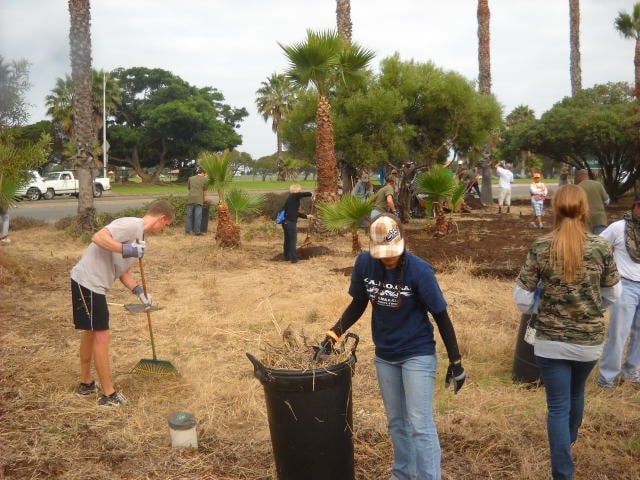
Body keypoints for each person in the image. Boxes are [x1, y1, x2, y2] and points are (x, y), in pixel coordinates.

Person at [315, 213, 466, 480]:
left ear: (402, 243)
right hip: (385, 355)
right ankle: (403, 474)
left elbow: (441, 315)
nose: (388, 259)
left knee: (420, 423)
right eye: (383, 254)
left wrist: (456, 362)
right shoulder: (364, 264)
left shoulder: (420, 271)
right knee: (397, 422)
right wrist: (332, 336)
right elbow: (358, 304)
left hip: (417, 353)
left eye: (392, 253)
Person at [513, 185, 620, 480]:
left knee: (558, 405)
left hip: (550, 343)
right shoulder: (601, 247)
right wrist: (592, 308)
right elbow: (613, 294)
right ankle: (566, 446)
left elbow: (522, 298)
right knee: (576, 394)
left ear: (554, 209)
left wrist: (538, 310)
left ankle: (563, 471)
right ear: (585, 209)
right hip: (588, 344)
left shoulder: (541, 247)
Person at [71, 199, 175, 406]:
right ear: (161, 218)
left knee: (91, 332)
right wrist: (129, 250)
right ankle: (109, 395)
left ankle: (86, 383)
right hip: (88, 282)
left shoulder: (139, 236)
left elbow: (123, 271)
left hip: (94, 285)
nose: (165, 229)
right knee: (102, 335)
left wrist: (139, 292)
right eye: (167, 224)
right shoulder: (131, 224)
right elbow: (98, 237)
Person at [597, 193, 640, 388]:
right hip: (625, 286)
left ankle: (631, 372)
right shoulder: (618, 228)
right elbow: (597, 248)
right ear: (635, 207)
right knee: (618, 334)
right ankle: (607, 379)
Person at [281, 184, 313, 263]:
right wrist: (312, 194)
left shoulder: (290, 199)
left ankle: (287, 256)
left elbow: (295, 212)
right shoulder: (295, 196)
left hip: (285, 222)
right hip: (290, 222)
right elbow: (304, 194)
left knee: (287, 240)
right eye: (299, 190)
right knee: (293, 240)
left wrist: (306, 216)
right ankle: (294, 259)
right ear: (296, 190)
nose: (300, 191)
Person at [575, 169, 609, 234]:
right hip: (600, 219)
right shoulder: (598, 184)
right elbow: (607, 201)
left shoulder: (577, 188)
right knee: (600, 242)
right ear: (587, 175)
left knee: (588, 243)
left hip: (585, 221)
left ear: (579, 176)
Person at [185, 167, 208, 236]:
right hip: (199, 200)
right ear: (203, 173)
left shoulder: (190, 178)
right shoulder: (205, 179)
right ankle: (197, 232)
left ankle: (188, 231)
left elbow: (189, 188)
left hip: (191, 199)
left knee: (189, 215)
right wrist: (205, 200)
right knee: (198, 216)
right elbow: (205, 191)